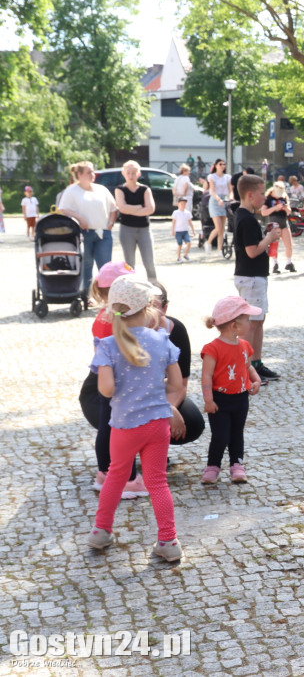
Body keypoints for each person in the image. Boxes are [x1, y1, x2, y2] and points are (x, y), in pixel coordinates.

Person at [85, 274, 184, 562]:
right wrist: (152, 386)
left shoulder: (107, 345)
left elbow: (106, 390)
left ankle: (101, 531)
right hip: (157, 424)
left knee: (115, 476)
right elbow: (176, 385)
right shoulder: (162, 341)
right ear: (149, 307)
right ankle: (168, 541)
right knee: (157, 482)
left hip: (125, 426)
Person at [79, 261, 150, 500]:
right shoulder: (115, 321)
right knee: (121, 430)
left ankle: (103, 473)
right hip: (120, 382)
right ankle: (128, 480)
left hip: (104, 378)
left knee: (108, 428)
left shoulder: (103, 316)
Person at [200, 296, 263, 485]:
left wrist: (256, 379)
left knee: (237, 433)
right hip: (220, 399)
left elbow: (247, 366)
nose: (250, 323)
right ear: (234, 325)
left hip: (241, 398)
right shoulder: (213, 349)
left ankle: (237, 464)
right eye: (247, 320)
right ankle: (213, 466)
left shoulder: (244, 346)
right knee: (220, 434)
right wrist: (208, 400)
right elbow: (206, 376)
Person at [233, 174, 282, 381]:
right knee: (251, 324)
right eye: (262, 193)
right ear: (250, 195)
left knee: (258, 321)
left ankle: (256, 363)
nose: (265, 197)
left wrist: (265, 235)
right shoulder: (247, 219)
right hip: (251, 277)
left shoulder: (245, 216)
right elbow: (252, 251)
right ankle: (246, 369)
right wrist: (270, 238)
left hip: (254, 276)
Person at [150, 280, 206, 447]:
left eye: (154, 306)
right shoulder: (128, 331)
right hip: (119, 397)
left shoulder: (176, 332)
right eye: (144, 306)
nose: (149, 312)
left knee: (192, 422)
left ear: (164, 309)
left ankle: (155, 451)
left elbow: (180, 383)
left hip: (159, 391)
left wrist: (169, 408)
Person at [58, 161, 118, 301]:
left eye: (93, 171)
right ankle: (86, 296)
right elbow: (63, 209)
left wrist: (109, 225)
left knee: (105, 266)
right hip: (83, 234)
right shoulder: (72, 190)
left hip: (103, 233)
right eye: (88, 172)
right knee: (86, 265)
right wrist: (79, 218)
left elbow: (113, 208)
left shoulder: (101, 189)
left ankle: (107, 298)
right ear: (79, 175)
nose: (93, 174)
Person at [113, 161, 158, 281]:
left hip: (144, 229)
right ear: (124, 174)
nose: (131, 175)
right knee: (129, 263)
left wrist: (130, 209)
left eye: (133, 172)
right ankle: (131, 287)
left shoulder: (145, 189)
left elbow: (150, 209)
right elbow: (122, 208)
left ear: (138, 174)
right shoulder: (120, 189)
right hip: (127, 229)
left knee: (149, 262)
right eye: (128, 173)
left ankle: (154, 286)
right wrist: (139, 207)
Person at [261, 180, 293, 274]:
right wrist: (275, 208)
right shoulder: (268, 198)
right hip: (274, 222)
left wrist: (286, 208)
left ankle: (289, 262)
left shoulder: (284, 197)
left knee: (289, 244)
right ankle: (275, 264)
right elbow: (263, 212)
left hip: (284, 222)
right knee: (274, 245)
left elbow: (289, 211)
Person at [205, 158, 231, 254]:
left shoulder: (227, 177)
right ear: (216, 165)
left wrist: (230, 198)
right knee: (218, 227)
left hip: (224, 200)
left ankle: (220, 249)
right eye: (220, 164)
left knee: (222, 228)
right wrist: (218, 199)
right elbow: (212, 190)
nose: (223, 166)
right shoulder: (212, 177)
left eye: (224, 164)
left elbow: (230, 190)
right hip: (215, 201)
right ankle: (208, 242)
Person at [169, 197, 195, 263]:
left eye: (184, 204)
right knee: (180, 245)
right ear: (178, 204)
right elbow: (173, 222)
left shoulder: (188, 213)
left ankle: (186, 254)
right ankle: (178, 257)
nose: (183, 205)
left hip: (185, 231)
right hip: (178, 231)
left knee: (189, 242)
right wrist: (172, 230)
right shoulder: (176, 212)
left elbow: (190, 222)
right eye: (181, 204)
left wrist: (193, 230)